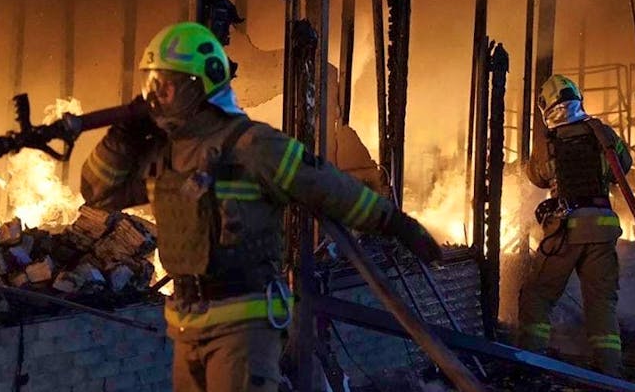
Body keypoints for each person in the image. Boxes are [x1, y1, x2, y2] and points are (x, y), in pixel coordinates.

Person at [80, 22, 441, 392]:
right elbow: (98, 192)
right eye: (152, 84)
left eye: (166, 85)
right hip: (186, 325)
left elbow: (329, 187)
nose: (155, 97)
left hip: (243, 328)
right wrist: (120, 139)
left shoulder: (252, 145)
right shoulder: (167, 154)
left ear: (197, 86)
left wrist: (395, 223)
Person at [517, 74, 632, 376]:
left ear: (546, 106)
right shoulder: (601, 132)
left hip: (567, 229)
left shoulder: (550, 141)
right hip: (603, 227)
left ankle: (530, 363)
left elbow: (537, 176)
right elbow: (625, 164)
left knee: (537, 295)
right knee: (601, 302)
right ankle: (609, 371)